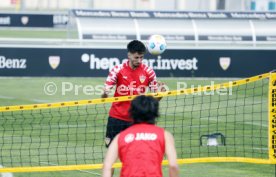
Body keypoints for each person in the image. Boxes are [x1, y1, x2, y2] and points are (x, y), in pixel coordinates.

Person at [101, 40, 165, 148]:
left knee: (136, 151)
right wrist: (105, 93)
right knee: (112, 151)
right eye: (136, 57)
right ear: (129, 55)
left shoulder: (149, 72)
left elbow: (154, 100)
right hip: (117, 117)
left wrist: (160, 95)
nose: (139, 60)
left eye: (141, 57)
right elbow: (104, 95)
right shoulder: (117, 70)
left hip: (137, 119)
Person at [102, 95, 179, 177]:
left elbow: (107, 166)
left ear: (131, 112)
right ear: (155, 113)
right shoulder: (165, 135)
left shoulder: (121, 136)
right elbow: (173, 165)